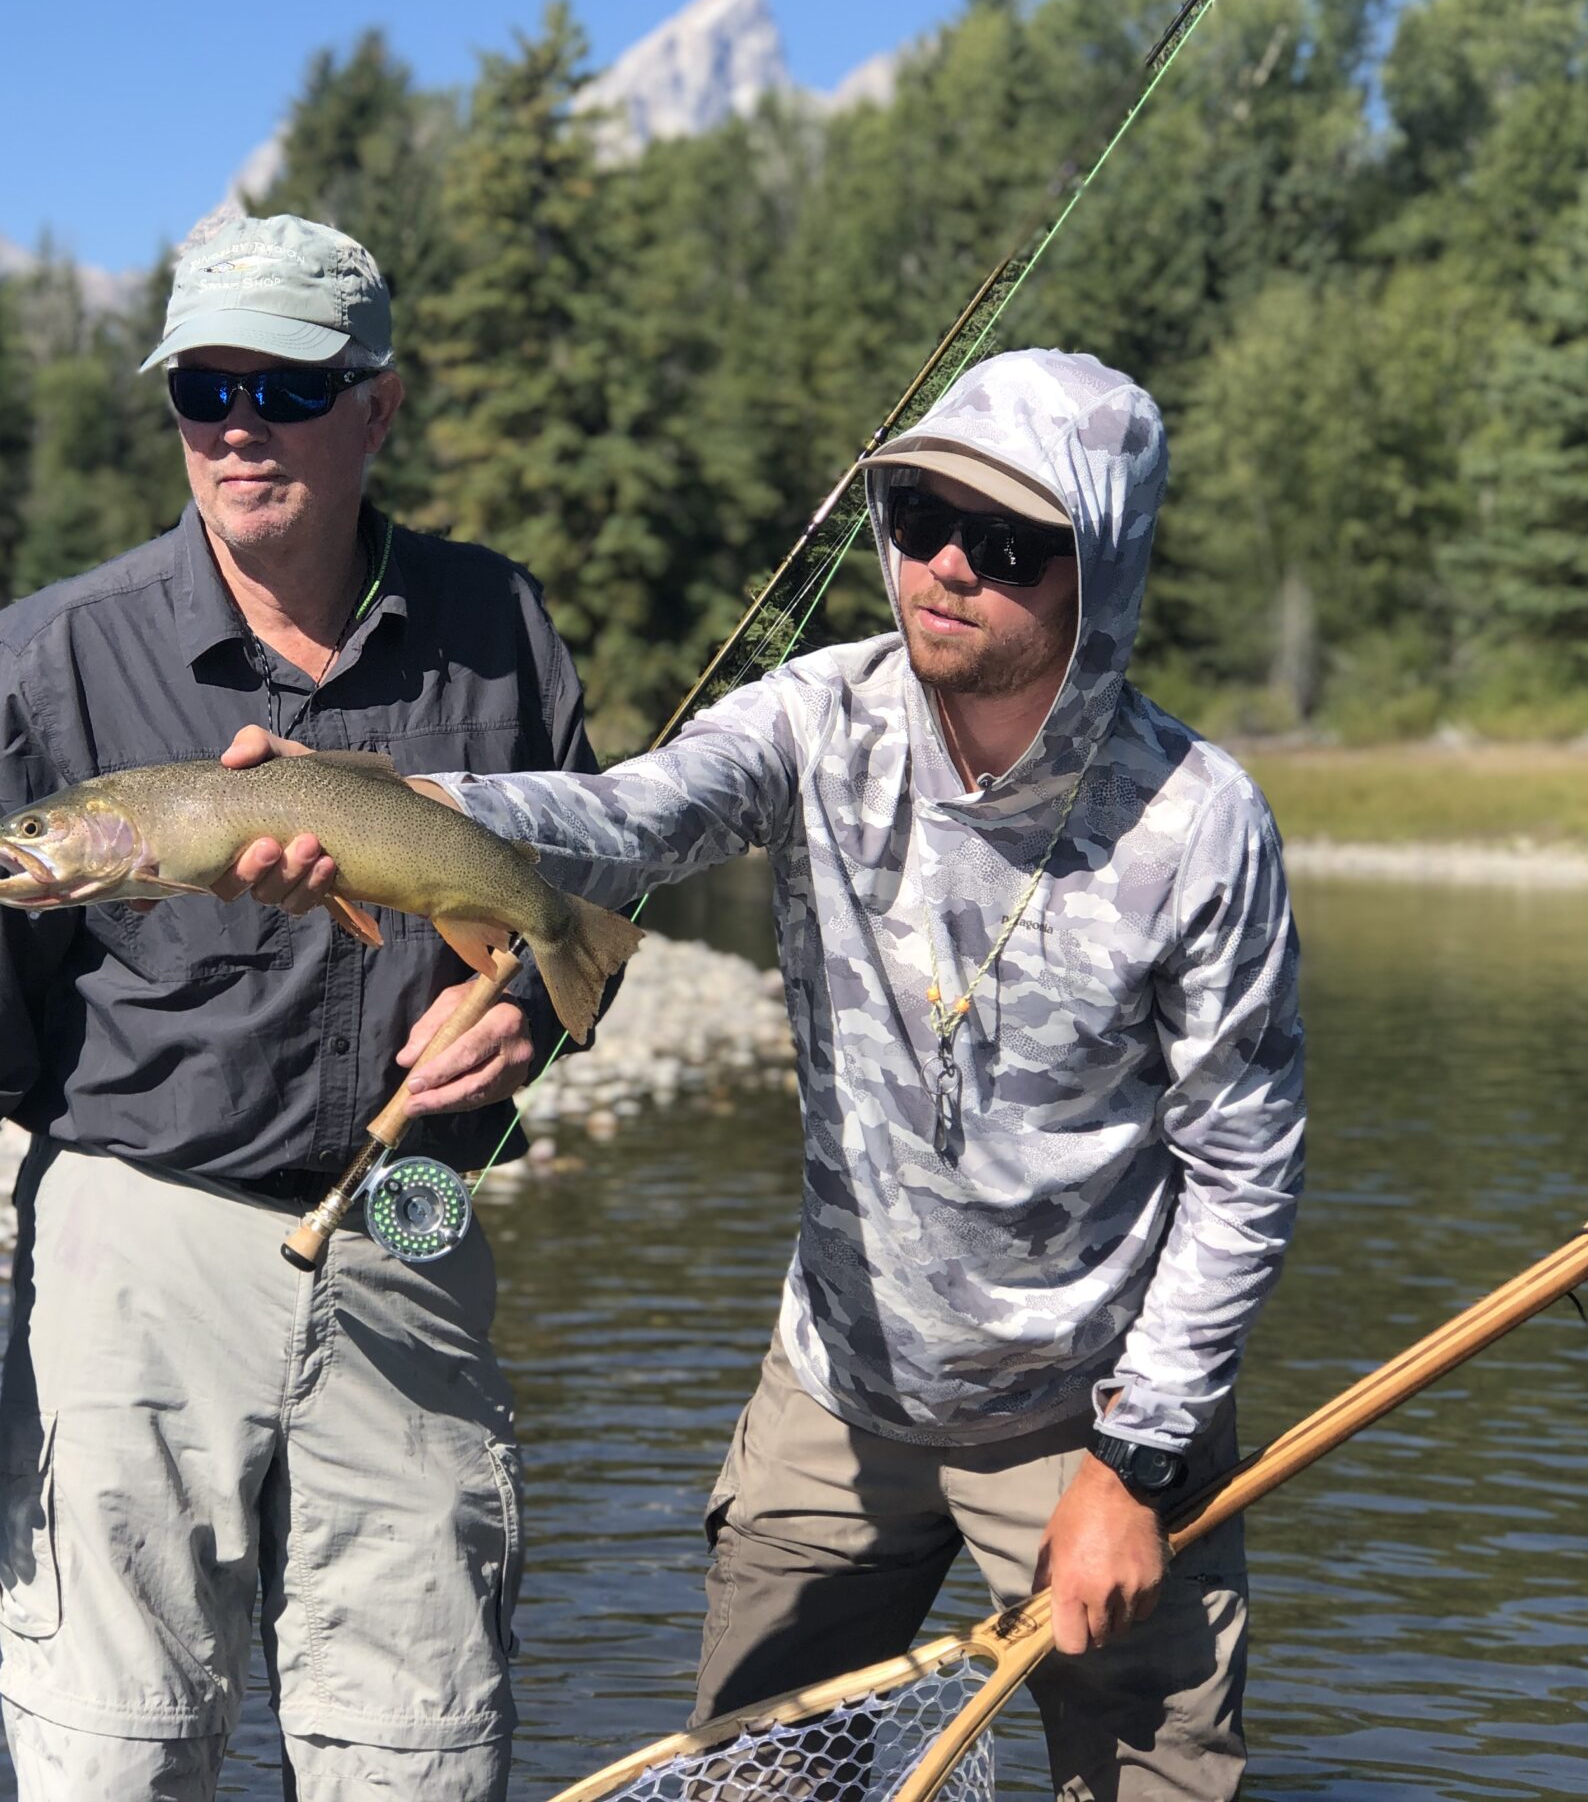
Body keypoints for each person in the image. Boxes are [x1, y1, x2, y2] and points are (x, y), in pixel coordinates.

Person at [224, 348, 1306, 1800]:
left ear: (1099, 569)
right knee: (751, 1781)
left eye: (1007, 544)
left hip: (1094, 1414)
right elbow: (628, 816)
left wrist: (1142, 1466)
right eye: (918, 516)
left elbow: (1242, 1171)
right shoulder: (817, 718)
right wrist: (409, 806)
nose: (944, 566)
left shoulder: (1201, 823)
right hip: (838, 1390)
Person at [0, 211, 607, 1802]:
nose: (239, 427)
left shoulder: (498, 628)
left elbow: (594, 885)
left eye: (289, 389)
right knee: (117, 1761)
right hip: (133, 1251)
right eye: (204, 390)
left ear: (378, 407)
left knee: (422, 1761)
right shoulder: (59, 657)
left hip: (408, 1231)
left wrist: (526, 1010)